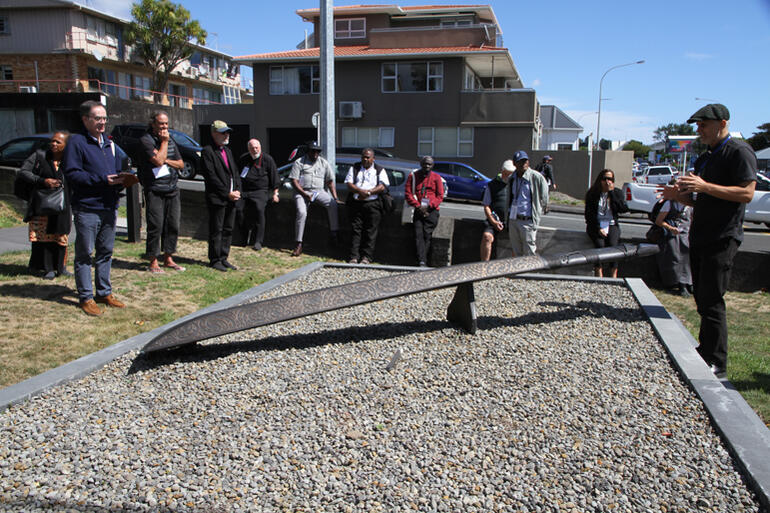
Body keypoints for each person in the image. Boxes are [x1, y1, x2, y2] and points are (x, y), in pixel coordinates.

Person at [660, 104, 756, 378]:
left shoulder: (738, 151)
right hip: (700, 234)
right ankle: (705, 349)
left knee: (713, 299)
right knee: (702, 297)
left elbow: (747, 193)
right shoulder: (707, 157)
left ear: (722, 123)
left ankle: (717, 362)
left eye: (703, 125)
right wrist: (677, 196)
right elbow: (699, 199)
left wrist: (705, 186)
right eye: (698, 125)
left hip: (722, 236)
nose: (699, 130)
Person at [63, 100, 139, 316]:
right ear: (85, 119)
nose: (103, 122)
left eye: (105, 118)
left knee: (105, 251)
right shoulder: (76, 142)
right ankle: (86, 296)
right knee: (85, 253)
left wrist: (123, 178)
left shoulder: (108, 142)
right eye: (98, 118)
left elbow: (116, 168)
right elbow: (73, 174)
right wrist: (102, 180)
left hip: (109, 205)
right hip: (87, 207)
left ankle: (104, 292)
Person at [18, 131, 72, 280]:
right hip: (42, 203)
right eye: (52, 141)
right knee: (44, 236)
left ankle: (61, 267)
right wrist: (42, 181)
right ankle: (48, 268)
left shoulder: (70, 160)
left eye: (58, 142)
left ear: (66, 145)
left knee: (61, 236)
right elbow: (24, 172)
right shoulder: (40, 156)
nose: (54, 144)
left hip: (63, 204)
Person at [138, 111, 185, 274]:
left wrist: (165, 159)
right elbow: (157, 161)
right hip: (155, 189)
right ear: (153, 124)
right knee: (156, 225)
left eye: (166, 124)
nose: (164, 127)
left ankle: (169, 257)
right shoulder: (146, 140)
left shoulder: (171, 140)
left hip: (172, 188)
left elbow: (180, 164)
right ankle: (153, 260)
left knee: (172, 224)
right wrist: (163, 143)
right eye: (161, 124)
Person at [201, 120, 242, 272]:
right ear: (214, 134)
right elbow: (211, 177)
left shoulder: (228, 151)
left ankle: (224, 257)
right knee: (216, 229)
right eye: (223, 132)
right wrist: (227, 193)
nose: (226, 135)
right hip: (218, 198)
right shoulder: (208, 152)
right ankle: (215, 258)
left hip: (231, 198)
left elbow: (235, 173)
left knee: (228, 229)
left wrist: (237, 190)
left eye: (227, 132)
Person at [289, 142, 340, 257]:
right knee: (302, 212)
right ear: (308, 151)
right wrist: (304, 193)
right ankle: (299, 243)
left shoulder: (323, 163)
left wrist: (335, 197)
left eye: (317, 151)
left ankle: (334, 234)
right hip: (302, 191)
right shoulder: (299, 162)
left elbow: (330, 181)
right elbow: (294, 181)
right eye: (313, 151)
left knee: (333, 205)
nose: (315, 154)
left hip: (318, 191)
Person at [345, 148, 389, 264]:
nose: (365, 159)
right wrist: (360, 191)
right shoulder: (355, 168)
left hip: (372, 204)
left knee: (370, 232)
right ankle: (354, 256)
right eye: (363, 157)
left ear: (373, 158)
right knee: (356, 230)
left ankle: (366, 257)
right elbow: (349, 184)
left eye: (368, 157)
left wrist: (368, 193)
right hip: (356, 203)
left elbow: (382, 186)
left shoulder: (379, 170)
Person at [584, 168, 629, 277]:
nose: (608, 181)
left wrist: (612, 193)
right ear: (600, 180)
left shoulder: (617, 193)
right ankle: (598, 272)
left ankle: (613, 274)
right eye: (605, 179)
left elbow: (623, 209)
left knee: (614, 246)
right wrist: (598, 228)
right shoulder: (593, 193)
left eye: (611, 179)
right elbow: (588, 215)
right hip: (596, 224)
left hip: (611, 223)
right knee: (600, 245)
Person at [505, 151, 549, 257]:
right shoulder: (512, 178)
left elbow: (544, 196)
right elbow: (509, 198)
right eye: (520, 162)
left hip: (527, 221)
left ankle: (529, 273)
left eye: (525, 161)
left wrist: (544, 207)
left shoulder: (536, 177)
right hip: (513, 219)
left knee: (529, 252)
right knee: (516, 251)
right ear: (515, 164)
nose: (523, 164)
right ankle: (518, 273)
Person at [238, 138, 278, 251]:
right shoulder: (243, 159)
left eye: (257, 148)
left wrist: (275, 193)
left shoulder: (267, 159)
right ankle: (243, 237)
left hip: (260, 191)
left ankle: (258, 241)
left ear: (260, 148)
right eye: (252, 148)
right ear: (248, 149)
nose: (255, 150)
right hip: (245, 191)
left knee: (259, 210)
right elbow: (237, 175)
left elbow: (275, 178)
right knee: (238, 209)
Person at [654, 179, 692, 296]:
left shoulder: (689, 204)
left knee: (688, 256)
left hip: (686, 233)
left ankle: (688, 283)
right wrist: (671, 228)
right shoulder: (669, 203)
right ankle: (678, 283)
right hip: (673, 233)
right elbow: (659, 221)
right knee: (675, 256)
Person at [405, 155, 444, 266]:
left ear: (432, 165)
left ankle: (423, 260)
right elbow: (408, 194)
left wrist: (429, 206)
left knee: (427, 235)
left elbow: (440, 196)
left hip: (431, 211)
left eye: (429, 164)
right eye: (425, 164)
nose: (427, 166)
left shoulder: (437, 178)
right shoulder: (413, 176)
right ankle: (421, 260)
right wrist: (418, 206)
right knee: (418, 235)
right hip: (418, 210)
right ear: (421, 164)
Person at [479, 159, 514, 261]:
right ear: (502, 171)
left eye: (511, 175)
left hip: (511, 219)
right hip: (494, 218)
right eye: (507, 174)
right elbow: (486, 206)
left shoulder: (515, 185)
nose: (508, 177)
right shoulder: (492, 185)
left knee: (518, 241)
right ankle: (484, 266)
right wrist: (493, 221)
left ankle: (513, 270)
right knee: (487, 237)